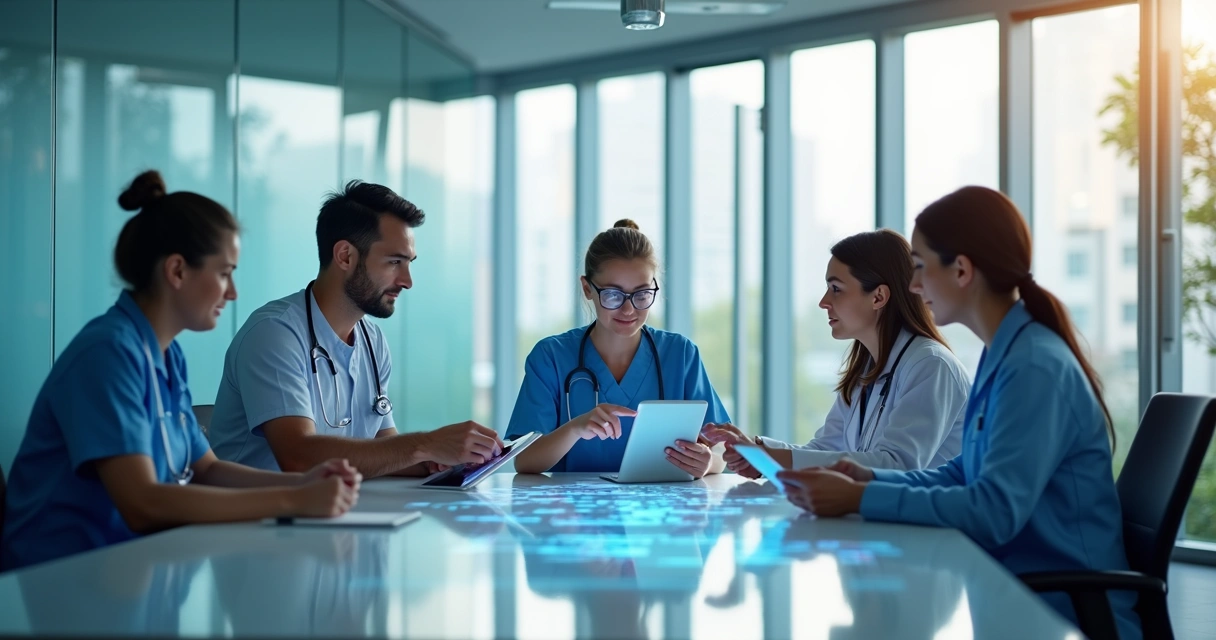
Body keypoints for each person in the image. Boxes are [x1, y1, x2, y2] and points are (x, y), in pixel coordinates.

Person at [777, 186, 1140, 639]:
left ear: (962, 270)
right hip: (1010, 593)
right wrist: (867, 480)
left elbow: (993, 510)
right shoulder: (1003, 354)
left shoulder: (1033, 366)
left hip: (1061, 613)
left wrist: (860, 497)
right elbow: (964, 471)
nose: (913, 286)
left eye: (920, 268)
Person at [1, 171, 360, 571]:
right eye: (224, 273)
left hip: (130, 569)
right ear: (176, 271)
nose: (233, 291)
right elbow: (143, 503)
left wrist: (305, 482)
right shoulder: (107, 353)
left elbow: (206, 469)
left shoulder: (166, 356)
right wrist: (293, 501)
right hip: (56, 581)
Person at [208, 180, 503, 477]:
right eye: (394, 262)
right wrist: (426, 443)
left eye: (409, 263)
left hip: (329, 512)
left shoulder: (371, 340)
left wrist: (447, 458)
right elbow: (298, 458)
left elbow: (383, 450)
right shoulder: (275, 334)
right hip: (254, 519)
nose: (407, 280)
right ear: (345, 256)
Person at [702, 230, 969, 473]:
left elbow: (896, 465)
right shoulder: (866, 369)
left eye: (836, 289)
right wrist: (760, 454)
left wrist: (769, 457)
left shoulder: (931, 365)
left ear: (878, 297)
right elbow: (823, 451)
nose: (824, 302)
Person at [508, 220, 730, 476]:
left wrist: (708, 463)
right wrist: (575, 428)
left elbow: (721, 446)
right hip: (575, 512)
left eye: (642, 294)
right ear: (587, 289)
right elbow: (523, 460)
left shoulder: (680, 354)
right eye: (613, 294)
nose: (628, 309)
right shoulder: (551, 357)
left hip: (660, 512)